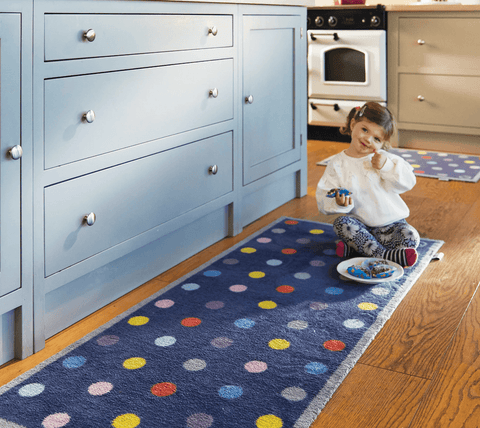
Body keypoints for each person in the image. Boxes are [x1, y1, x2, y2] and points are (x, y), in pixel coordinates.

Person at [316, 102, 420, 268]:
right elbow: (323, 195)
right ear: (352, 124)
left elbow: (409, 181)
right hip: (360, 226)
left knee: (411, 236)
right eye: (365, 130)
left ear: (382, 143)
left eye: (376, 139)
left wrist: (386, 166)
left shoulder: (386, 159)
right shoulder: (337, 164)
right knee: (341, 224)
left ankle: (357, 251)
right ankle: (386, 255)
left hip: (391, 226)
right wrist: (338, 203)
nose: (368, 139)